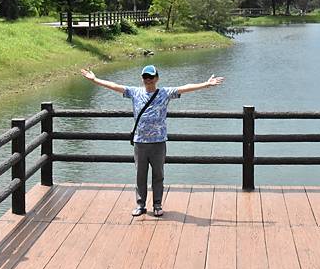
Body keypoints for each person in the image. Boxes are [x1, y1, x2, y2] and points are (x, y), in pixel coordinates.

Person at [80, 65, 224, 217]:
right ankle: (140, 205)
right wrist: (95, 80)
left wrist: (206, 84)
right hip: (140, 142)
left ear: (157, 78)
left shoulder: (164, 93)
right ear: (142, 79)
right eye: (145, 77)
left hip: (158, 142)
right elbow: (115, 86)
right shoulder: (135, 92)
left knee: (158, 175)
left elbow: (185, 88)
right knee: (140, 175)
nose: (148, 80)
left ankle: (157, 205)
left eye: (151, 77)